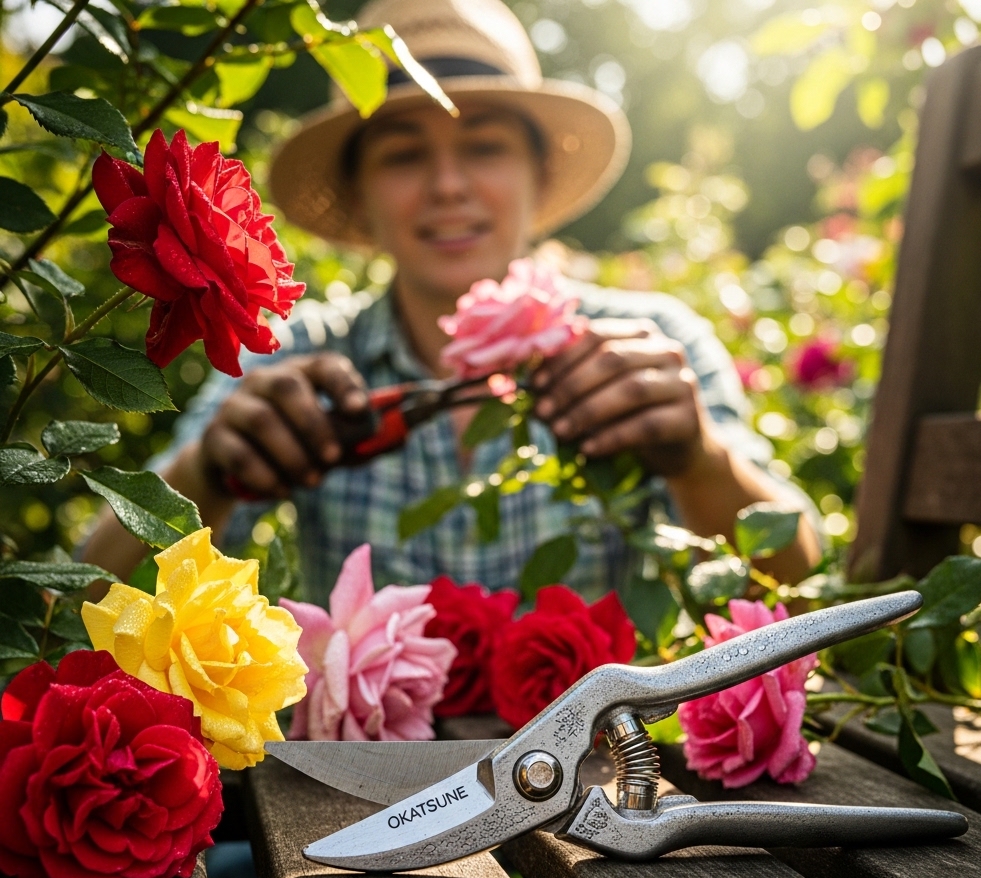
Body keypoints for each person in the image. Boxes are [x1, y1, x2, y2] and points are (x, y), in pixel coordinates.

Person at [82, 0, 820, 605]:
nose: (448, 186)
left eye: (485, 146)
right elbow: (90, 597)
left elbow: (797, 574)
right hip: (368, 783)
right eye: (404, 154)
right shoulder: (297, 359)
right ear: (361, 197)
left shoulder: (649, 345)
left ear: (537, 174)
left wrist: (698, 461)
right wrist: (208, 472)